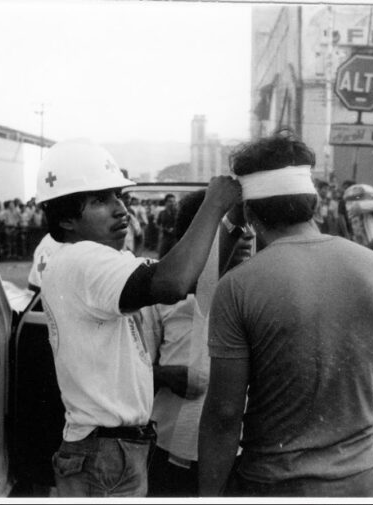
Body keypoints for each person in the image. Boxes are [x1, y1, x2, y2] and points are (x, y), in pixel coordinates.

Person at [198, 131, 373, 497]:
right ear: (314, 202)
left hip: (274, 484)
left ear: (247, 211)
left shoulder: (239, 286)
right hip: (360, 481)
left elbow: (225, 413)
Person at [36, 138, 240, 497]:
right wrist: (213, 204)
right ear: (66, 218)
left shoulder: (100, 260)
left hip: (111, 447)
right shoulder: (83, 259)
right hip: (104, 451)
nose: (121, 210)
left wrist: (232, 228)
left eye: (120, 197)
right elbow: (174, 282)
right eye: (101, 200)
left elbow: (191, 279)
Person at [142, 190, 253, 497]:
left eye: (246, 227)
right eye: (232, 228)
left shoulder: (256, 292)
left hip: (238, 453)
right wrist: (163, 375)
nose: (245, 236)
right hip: (168, 447)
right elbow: (136, 366)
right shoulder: (163, 296)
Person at [157, 194, 178, 258]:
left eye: (174, 201)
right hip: (165, 237)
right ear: (166, 202)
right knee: (162, 255)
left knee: (174, 256)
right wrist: (163, 229)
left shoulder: (178, 212)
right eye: (170, 201)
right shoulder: (162, 213)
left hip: (175, 238)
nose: (172, 203)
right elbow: (158, 224)